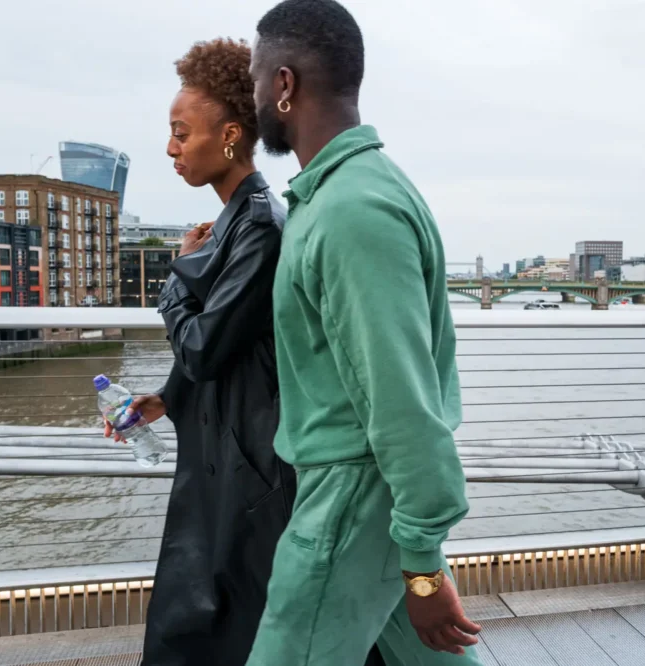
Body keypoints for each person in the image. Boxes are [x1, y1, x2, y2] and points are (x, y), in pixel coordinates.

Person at [102, 38, 383, 666]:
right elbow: (224, 346)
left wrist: (177, 276)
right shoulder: (235, 223)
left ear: (230, 136)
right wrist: (163, 398)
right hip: (227, 455)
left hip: (249, 468)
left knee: (221, 622)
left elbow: (204, 345)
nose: (171, 148)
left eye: (181, 133)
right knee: (212, 619)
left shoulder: (257, 226)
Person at [245, 1, 482, 664]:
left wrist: (423, 564)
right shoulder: (340, 195)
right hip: (363, 495)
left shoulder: (353, 211)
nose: (255, 91)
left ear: (286, 85)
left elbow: (401, 399)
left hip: (351, 501)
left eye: (259, 75)